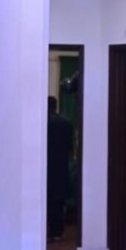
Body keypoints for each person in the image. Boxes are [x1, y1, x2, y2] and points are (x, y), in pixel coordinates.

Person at [47, 96, 74, 241]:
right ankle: (57, 231)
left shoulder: (42, 122)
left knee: (45, 200)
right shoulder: (66, 123)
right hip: (61, 166)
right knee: (58, 201)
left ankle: (46, 230)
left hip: (45, 166)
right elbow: (70, 147)